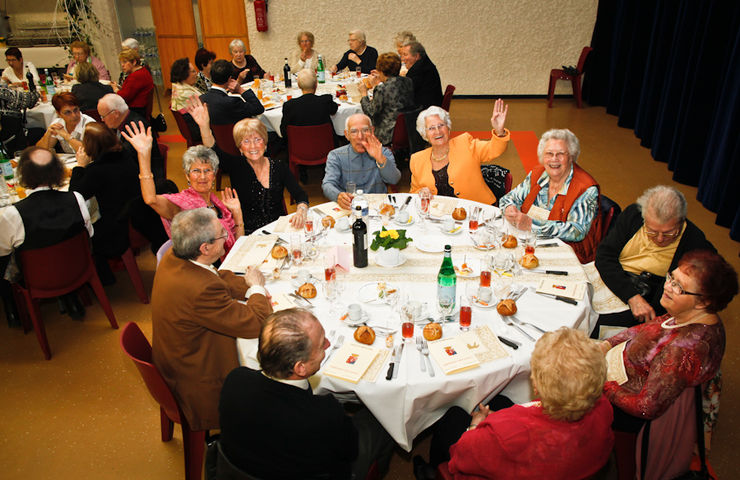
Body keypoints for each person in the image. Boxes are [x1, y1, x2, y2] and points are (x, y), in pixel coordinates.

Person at [600, 250, 736, 478]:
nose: (667, 286)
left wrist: (605, 386)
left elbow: (646, 406)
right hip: (636, 379)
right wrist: (607, 344)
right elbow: (652, 327)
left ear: (705, 301)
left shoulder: (683, 350)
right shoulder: (688, 312)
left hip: (641, 414)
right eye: (671, 277)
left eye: (679, 287)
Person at [413, 327, 613, 480]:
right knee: (500, 401)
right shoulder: (604, 408)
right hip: (565, 464)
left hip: (494, 459)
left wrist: (476, 425)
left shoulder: (506, 435)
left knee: (454, 415)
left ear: (537, 385)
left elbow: (462, 456)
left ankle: (433, 470)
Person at [219, 308, 394, 480]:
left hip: (240, 470)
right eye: (321, 344)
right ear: (300, 368)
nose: (328, 344)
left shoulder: (235, 379)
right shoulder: (324, 413)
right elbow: (349, 451)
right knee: (383, 417)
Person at [152, 208, 272, 431]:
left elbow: (215, 277)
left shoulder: (177, 256)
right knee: (272, 369)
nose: (226, 237)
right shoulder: (199, 289)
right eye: (222, 235)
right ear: (205, 248)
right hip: (199, 378)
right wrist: (256, 288)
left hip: (177, 356)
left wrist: (247, 286)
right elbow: (256, 324)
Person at [593, 186, 715, 338]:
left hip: (648, 299)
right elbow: (604, 255)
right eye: (651, 231)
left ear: (681, 221)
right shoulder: (634, 214)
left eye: (669, 233)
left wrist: (638, 301)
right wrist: (631, 296)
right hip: (614, 280)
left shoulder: (696, 244)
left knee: (591, 326)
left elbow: (689, 296)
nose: (659, 239)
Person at [122, 120, 244, 256]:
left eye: (207, 170)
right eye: (196, 171)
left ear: (214, 175)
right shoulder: (182, 206)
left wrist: (238, 215)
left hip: (232, 261)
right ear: (187, 176)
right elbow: (151, 199)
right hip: (206, 270)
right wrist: (143, 155)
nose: (202, 176)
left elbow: (238, 247)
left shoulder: (218, 204)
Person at [0, 147, 93, 318]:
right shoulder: (76, 198)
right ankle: (70, 298)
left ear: (23, 175)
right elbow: (89, 234)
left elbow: (4, 252)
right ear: (58, 171)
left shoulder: (13, 214)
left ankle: (12, 310)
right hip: (78, 266)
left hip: (37, 279)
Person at [196, 104, 308, 233]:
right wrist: (204, 126)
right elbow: (213, 151)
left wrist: (301, 210)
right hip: (247, 232)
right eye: (246, 141)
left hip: (278, 230)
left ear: (265, 143)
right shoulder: (236, 166)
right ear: (240, 148)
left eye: (257, 139)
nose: (253, 146)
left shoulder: (279, 166)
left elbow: (300, 195)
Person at [499, 128, 600, 263]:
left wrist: (531, 225)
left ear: (571, 156)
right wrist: (509, 208)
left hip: (566, 254)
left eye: (560, 154)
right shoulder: (537, 173)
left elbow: (577, 230)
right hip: (529, 246)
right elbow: (509, 198)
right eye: (549, 154)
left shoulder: (586, 188)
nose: (554, 159)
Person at [70, 122, 139, 283]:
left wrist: (80, 166)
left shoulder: (98, 170)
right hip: (133, 218)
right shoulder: (125, 154)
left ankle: (102, 277)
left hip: (115, 230)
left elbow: (76, 196)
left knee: (79, 233)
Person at [410, 103, 509, 205]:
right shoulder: (417, 160)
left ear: (448, 128)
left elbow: (493, 149)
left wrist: (499, 132)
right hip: (439, 215)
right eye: (431, 128)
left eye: (441, 125)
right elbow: (414, 192)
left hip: (476, 210)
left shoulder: (465, 144)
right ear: (424, 133)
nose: (437, 131)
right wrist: (421, 192)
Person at [322, 113, 401, 209]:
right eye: (354, 131)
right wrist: (338, 196)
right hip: (349, 207)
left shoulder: (383, 152)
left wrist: (380, 158)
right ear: (347, 135)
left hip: (378, 207)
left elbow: (394, 179)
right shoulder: (336, 156)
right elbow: (327, 184)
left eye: (365, 130)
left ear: (372, 131)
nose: (360, 136)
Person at [97, 93, 164, 179]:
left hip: (146, 177)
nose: (102, 120)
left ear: (116, 113)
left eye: (103, 116)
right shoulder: (124, 120)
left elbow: (123, 157)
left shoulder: (136, 128)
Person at [359, 52, 414, 145]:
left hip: (386, 134)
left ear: (381, 70)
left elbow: (370, 112)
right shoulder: (408, 81)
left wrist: (363, 94)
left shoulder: (382, 89)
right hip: (406, 129)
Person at [199, 59, 264, 125]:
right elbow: (258, 108)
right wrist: (240, 90)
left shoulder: (201, 99)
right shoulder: (232, 102)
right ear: (230, 78)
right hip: (236, 134)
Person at [279, 68, 338, 139]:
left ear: (299, 85)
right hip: (326, 146)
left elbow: (283, 132)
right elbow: (334, 109)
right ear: (316, 84)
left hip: (297, 147)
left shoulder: (289, 105)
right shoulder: (325, 101)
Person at [112, 49, 153, 119]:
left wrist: (115, 89)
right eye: (121, 62)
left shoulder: (136, 76)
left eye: (125, 62)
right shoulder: (143, 71)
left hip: (136, 112)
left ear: (134, 62)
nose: (122, 65)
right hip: (141, 110)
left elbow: (123, 97)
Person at [0, 83, 40, 153]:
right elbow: (32, 98)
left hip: (6, 141)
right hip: (12, 141)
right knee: (40, 132)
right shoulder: (4, 94)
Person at [401, 41, 443, 109]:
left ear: (417, 56)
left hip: (425, 109)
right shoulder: (425, 64)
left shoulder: (418, 70)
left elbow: (405, 92)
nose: (402, 59)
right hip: (430, 105)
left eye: (405, 55)